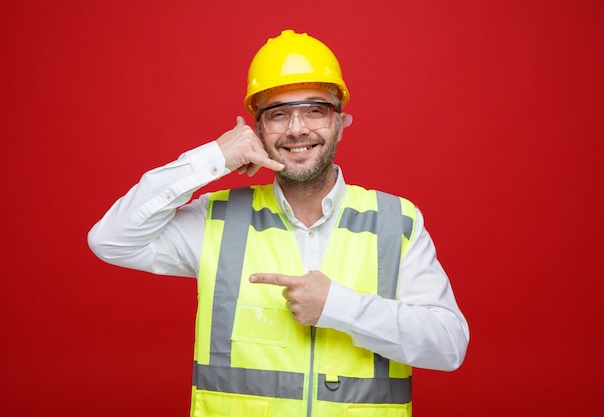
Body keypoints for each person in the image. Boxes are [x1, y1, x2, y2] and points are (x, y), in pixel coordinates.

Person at [88, 29, 469, 417]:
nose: (297, 128)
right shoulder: (217, 220)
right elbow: (112, 240)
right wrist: (213, 158)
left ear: (340, 122)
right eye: (279, 114)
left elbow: (449, 346)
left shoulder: (396, 221)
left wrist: (339, 306)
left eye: (315, 110)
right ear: (258, 131)